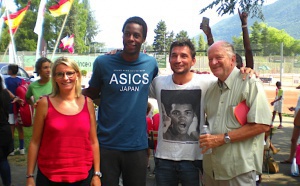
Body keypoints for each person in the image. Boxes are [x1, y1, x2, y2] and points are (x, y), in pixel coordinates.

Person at [82, 16, 158, 186]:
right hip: (107, 144)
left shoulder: (151, 64)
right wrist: (58, 97)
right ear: (122, 35)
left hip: (137, 146)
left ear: (143, 39)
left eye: (136, 35)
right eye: (127, 34)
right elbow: (92, 92)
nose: (131, 38)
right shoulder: (103, 62)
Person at [200, 41, 271, 185]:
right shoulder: (211, 90)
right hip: (211, 170)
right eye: (210, 59)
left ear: (232, 59)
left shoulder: (250, 83)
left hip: (238, 172)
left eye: (219, 57)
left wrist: (222, 138)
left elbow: (262, 125)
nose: (213, 62)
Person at [149, 39, 216, 185]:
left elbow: (230, 77)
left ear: (193, 60)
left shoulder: (207, 82)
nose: (178, 60)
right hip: (164, 159)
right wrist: (118, 56)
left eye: (184, 56)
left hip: (194, 160)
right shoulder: (158, 83)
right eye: (174, 55)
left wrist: (247, 71)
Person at [26, 57, 101, 185]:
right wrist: (30, 176)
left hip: (83, 176)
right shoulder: (44, 103)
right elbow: (34, 142)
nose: (65, 78)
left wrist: (97, 174)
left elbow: (93, 141)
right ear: (54, 77)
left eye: (69, 73)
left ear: (77, 74)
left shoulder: (88, 103)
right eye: (60, 74)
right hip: (50, 176)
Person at [0, 75, 23, 186]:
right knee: (3, 159)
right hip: (5, 129)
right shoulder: (4, 93)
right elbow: (14, 97)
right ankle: (7, 183)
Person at [4, 64, 25, 155]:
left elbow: (5, 92)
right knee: (20, 129)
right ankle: (22, 148)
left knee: (11, 128)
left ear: (10, 71)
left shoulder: (6, 80)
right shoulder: (21, 80)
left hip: (10, 106)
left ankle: (11, 150)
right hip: (19, 107)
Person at [281, 90, 300, 164]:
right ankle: (291, 158)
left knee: (294, 140)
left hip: (298, 120)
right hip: (297, 120)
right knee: (293, 140)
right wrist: (295, 109)